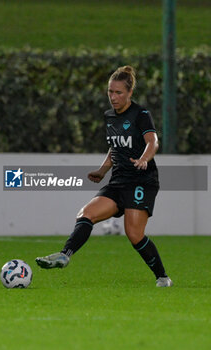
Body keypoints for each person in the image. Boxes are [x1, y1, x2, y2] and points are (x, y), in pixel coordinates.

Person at [36, 65, 173, 287]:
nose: (113, 97)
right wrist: (102, 170)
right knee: (86, 213)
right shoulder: (109, 116)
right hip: (118, 181)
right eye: (110, 91)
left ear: (129, 93)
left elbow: (153, 141)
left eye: (119, 92)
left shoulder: (141, 114)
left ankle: (162, 277)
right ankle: (65, 254)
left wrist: (145, 158)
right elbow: (114, 148)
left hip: (141, 180)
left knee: (134, 234)